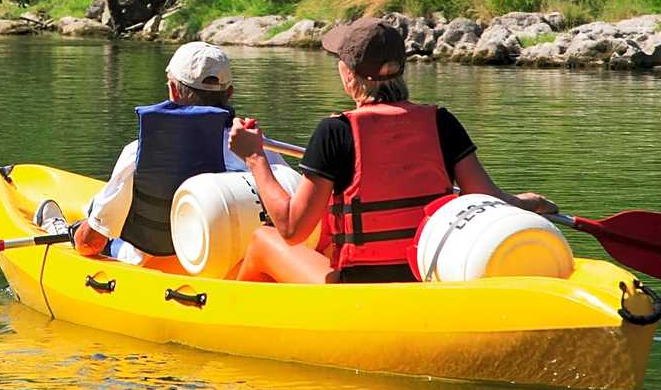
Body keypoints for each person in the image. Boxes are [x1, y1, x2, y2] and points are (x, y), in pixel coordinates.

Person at [227, 17, 556, 284]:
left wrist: (254, 156)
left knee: (263, 240)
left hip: (359, 288)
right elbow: (489, 201)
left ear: (348, 74)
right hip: (428, 276)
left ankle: (231, 324)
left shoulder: (336, 132)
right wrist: (529, 203)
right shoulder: (442, 122)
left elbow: (292, 229)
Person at [73, 41, 297, 271]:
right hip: (231, 270)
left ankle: (59, 226)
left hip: (153, 270)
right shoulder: (260, 151)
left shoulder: (138, 153)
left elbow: (90, 244)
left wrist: (78, 237)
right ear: (229, 93)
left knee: (85, 232)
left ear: (172, 90)